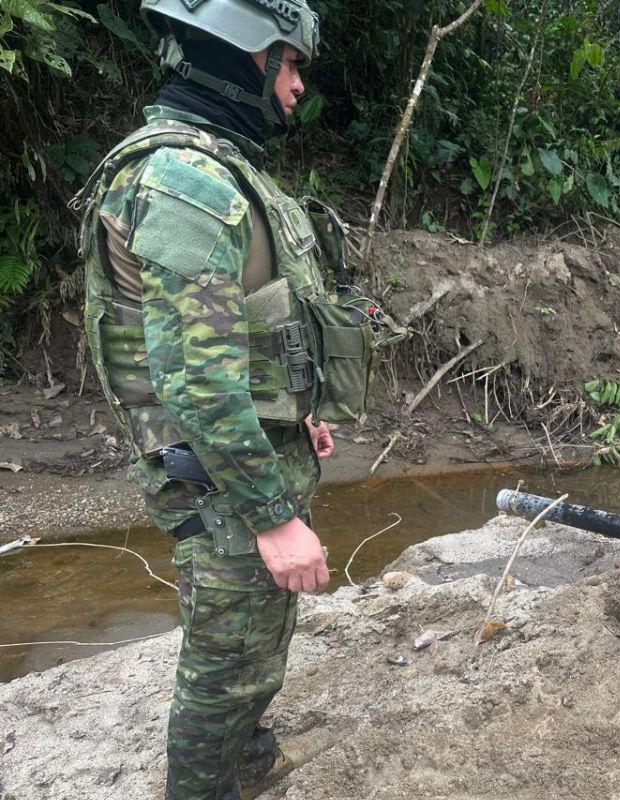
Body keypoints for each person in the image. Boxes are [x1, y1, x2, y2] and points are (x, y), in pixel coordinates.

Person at [74, 1, 396, 797]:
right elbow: (194, 374)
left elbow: (249, 329)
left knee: (251, 647)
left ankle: (248, 765)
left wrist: (298, 409)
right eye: (290, 66)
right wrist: (274, 517)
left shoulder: (214, 167)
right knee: (224, 672)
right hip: (221, 479)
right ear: (245, 55)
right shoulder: (185, 182)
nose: (296, 88)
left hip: (242, 459)